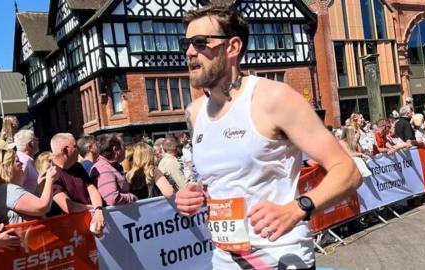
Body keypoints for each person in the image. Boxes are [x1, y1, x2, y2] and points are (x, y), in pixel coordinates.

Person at [174, 4, 361, 269]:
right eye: (186, 44)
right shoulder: (195, 113)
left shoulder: (273, 98)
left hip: (279, 257)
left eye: (200, 42)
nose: (190, 52)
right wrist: (194, 195)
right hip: (225, 259)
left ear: (232, 47)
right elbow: (227, 182)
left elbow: (348, 172)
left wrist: (298, 208)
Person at [49, 133, 104, 235]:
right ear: (65, 150)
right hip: (72, 233)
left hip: (91, 226)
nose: (78, 151)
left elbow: (92, 189)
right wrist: (93, 209)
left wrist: (98, 210)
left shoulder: (77, 167)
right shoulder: (52, 174)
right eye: (75, 147)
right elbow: (68, 206)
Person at [0, 149, 57, 224]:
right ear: (7, 167)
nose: (22, 163)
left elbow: (31, 205)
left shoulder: (0, 189)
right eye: (17, 161)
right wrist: (50, 179)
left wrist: (40, 184)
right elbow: (42, 207)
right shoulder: (8, 190)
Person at [91, 134, 137, 206]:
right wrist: (132, 198)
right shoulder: (103, 168)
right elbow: (112, 199)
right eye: (124, 147)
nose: (125, 150)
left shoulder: (112, 166)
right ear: (115, 149)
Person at [14, 130, 39, 194]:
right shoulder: (23, 162)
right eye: (35, 139)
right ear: (30, 144)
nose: (38, 141)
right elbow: (17, 188)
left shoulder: (22, 159)